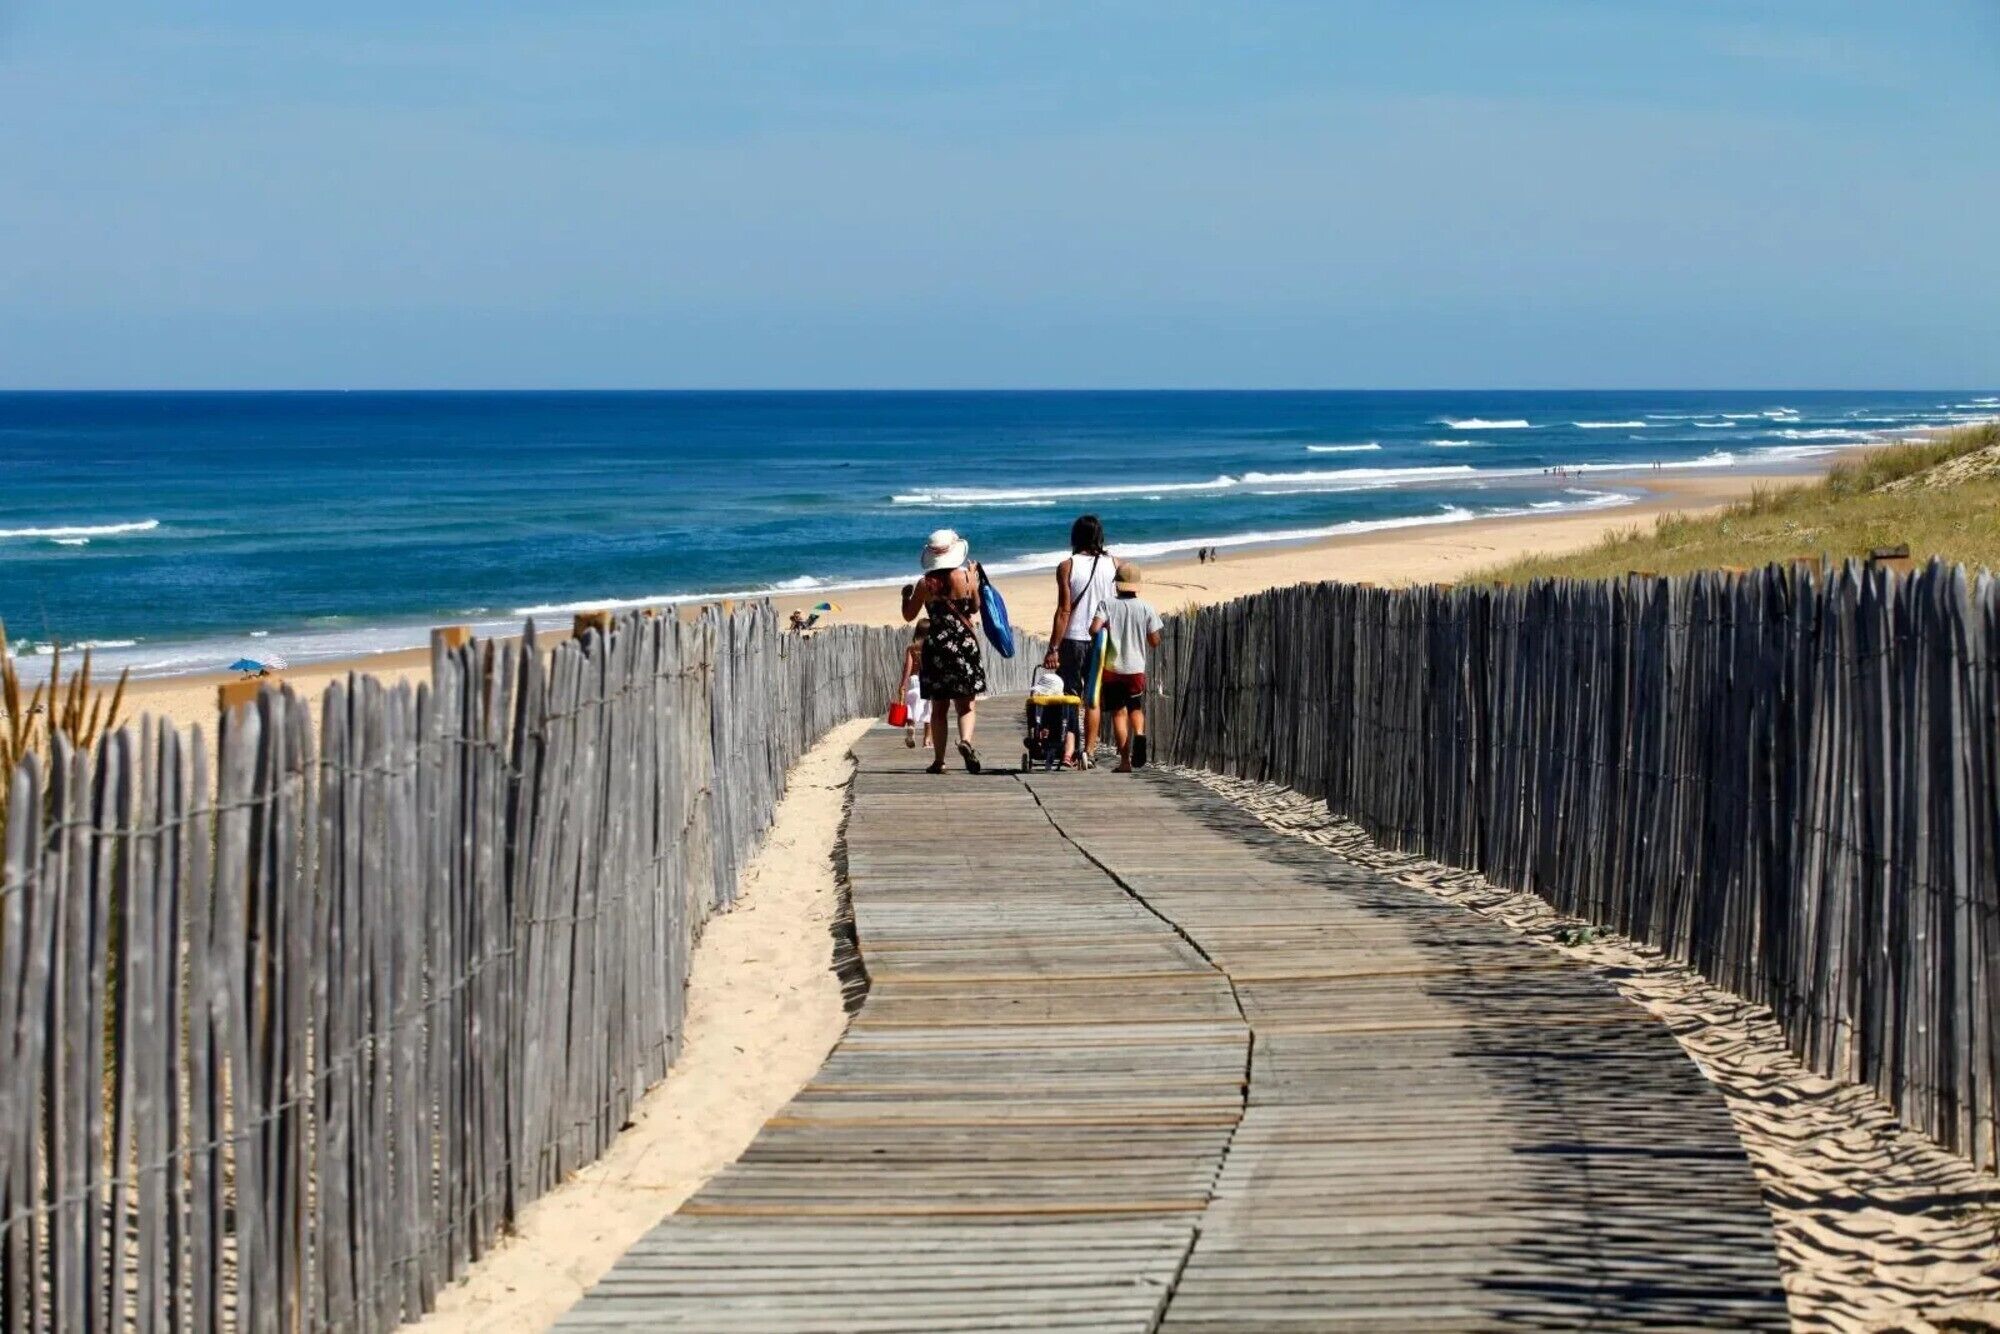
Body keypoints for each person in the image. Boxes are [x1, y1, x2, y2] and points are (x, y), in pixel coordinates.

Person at [901, 528, 986, 774]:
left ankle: (939, 760)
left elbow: (909, 615)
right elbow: (975, 608)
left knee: (939, 708)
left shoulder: (925, 584)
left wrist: (905, 597)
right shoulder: (966, 577)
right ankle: (966, 742)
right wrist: (974, 583)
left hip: (937, 644)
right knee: (966, 704)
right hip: (964, 643)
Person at [1044, 514, 1117, 767]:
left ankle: (1068, 751)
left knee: (1070, 695)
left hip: (1073, 638)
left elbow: (1064, 610)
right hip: (1101, 639)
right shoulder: (1114, 565)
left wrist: (1053, 647)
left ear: (1075, 537)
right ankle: (1090, 751)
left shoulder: (1067, 566)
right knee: (1092, 696)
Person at [1089, 561, 1164, 773]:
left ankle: (1125, 762)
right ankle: (1139, 733)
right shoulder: (1147, 607)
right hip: (1136, 669)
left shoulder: (1107, 604)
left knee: (1118, 713)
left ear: (1117, 584)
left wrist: (1105, 630)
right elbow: (1155, 640)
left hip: (1113, 669)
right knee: (1136, 708)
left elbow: (1094, 629)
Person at [897, 621, 932, 748]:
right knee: (928, 710)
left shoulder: (911, 648)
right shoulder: (932, 647)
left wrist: (903, 684)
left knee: (911, 707)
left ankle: (911, 726)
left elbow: (908, 668)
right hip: (928, 680)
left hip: (913, 680)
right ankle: (927, 740)